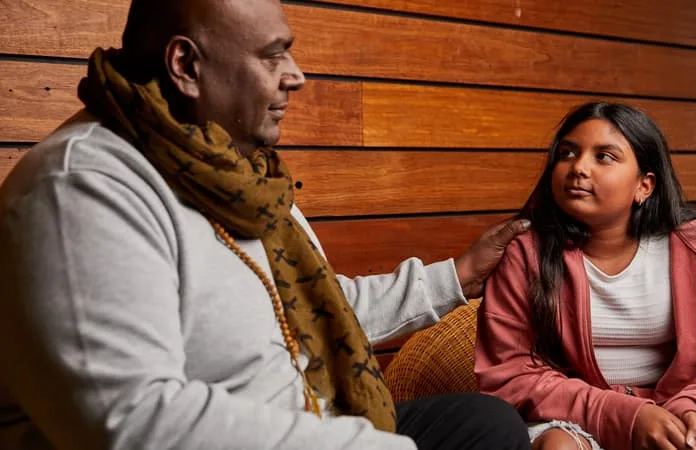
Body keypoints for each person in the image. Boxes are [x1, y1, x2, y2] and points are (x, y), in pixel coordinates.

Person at [0, 0, 533, 449]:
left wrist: (458, 276)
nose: (295, 75)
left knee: (485, 424)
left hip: (310, 418)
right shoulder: (83, 187)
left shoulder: (237, 173)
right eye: (272, 54)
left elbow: (310, 314)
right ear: (185, 64)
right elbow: (131, 418)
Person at [474, 102, 696, 450]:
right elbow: (510, 373)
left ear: (644, 185)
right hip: (572, 420)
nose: (578, 167)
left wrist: (692, 410)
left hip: (679, 415)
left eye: (604, 157)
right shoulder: (525, 255)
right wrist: (624, 415)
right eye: (567, 153)